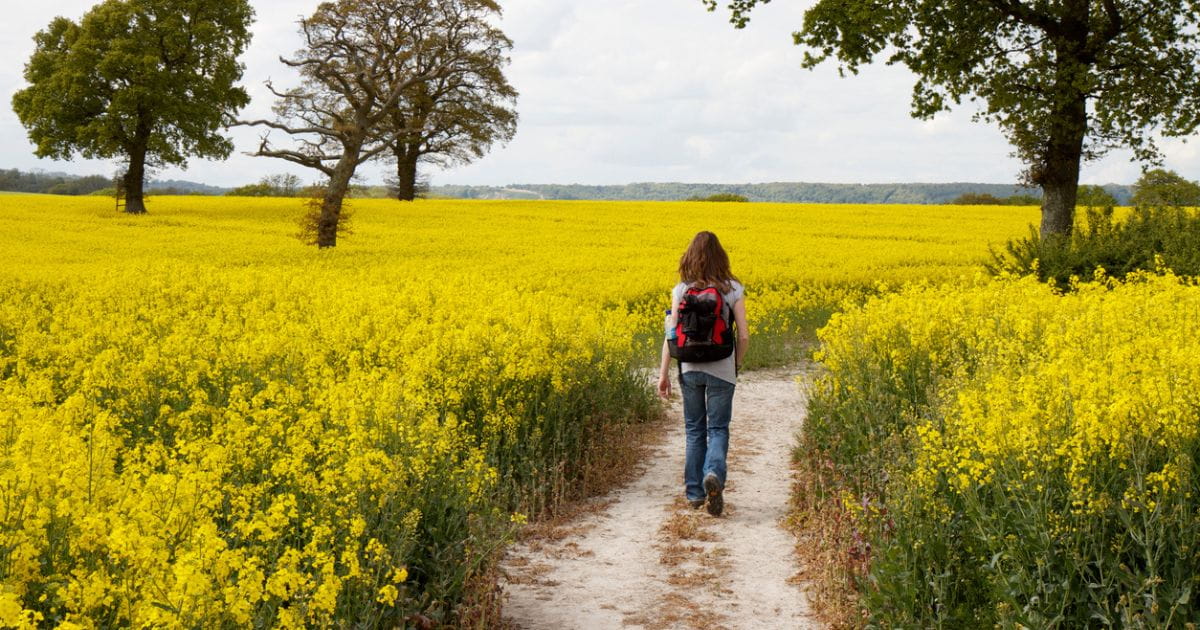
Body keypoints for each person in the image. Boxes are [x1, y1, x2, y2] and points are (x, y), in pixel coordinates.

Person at [657, 231, 749, 517]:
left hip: (690, 368)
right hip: (722, 366)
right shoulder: (732, 288)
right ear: (721, 256)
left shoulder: (681, 290)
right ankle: (714, 475)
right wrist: (736, 365)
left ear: (690, 257)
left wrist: (664, 375)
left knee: (694, 430)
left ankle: (695, 493)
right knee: (718, 428)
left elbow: (671, 335)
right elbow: (743, 335)